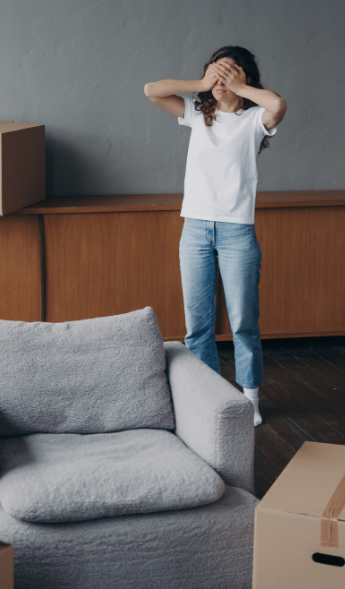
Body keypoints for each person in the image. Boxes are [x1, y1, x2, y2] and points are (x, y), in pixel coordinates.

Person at [144, 46, 287, 426]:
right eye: (215, 73)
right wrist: (202, 83)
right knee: (198, 325)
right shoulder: (197, 112)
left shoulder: (255, 119)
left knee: (243, 321)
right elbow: (151, 90)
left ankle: (250, 398)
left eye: (230, 74)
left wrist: (240, 85)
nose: (220, 81)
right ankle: (210, 398)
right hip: (194, 228)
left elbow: (277, 104)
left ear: (245, 79)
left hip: (237, 231)